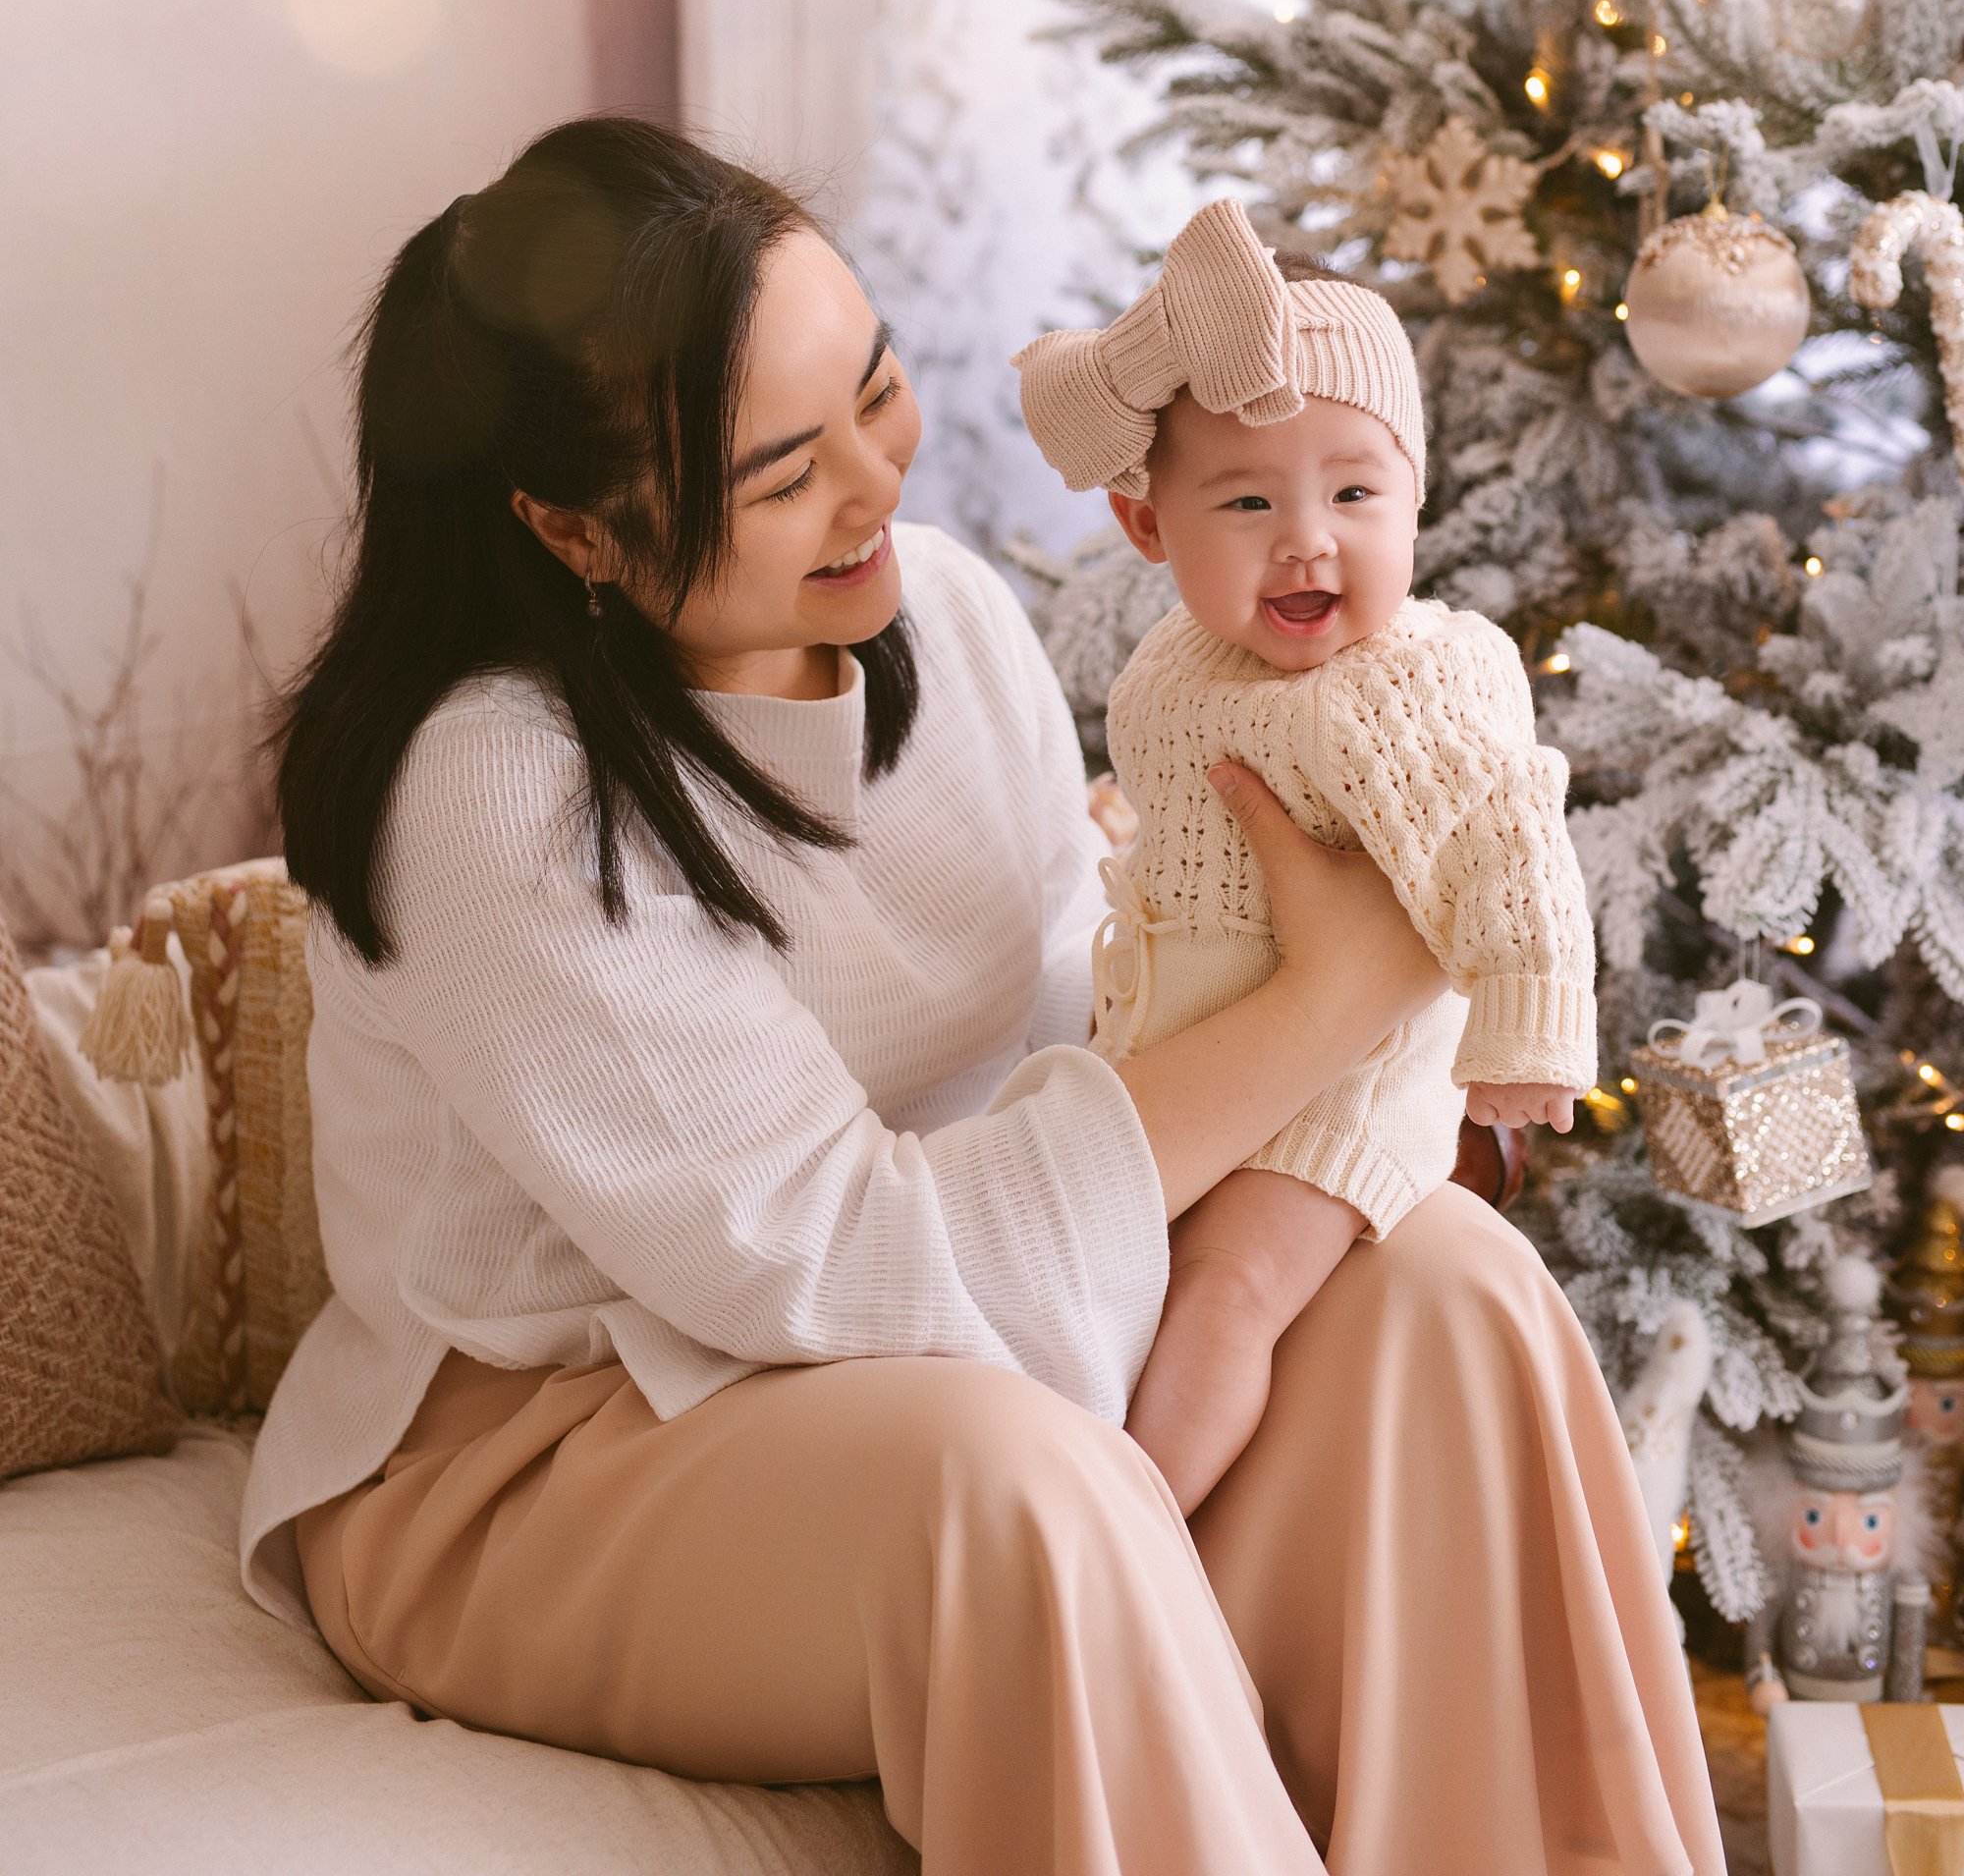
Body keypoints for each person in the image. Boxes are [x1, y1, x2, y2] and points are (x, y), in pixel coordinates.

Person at [243, 116, 1722, 1876]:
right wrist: (1343, 988)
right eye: (785, 473)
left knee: (1444, 1290)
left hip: (966, 1314)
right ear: (573, 525)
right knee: (1013, 1484)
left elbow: (1072, 1031)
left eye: (877, 391)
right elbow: (831, 1260)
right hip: (549, 1456)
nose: (877, 488)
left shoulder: (934, 614)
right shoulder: (495, 791)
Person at [1014, 195, 1595, 1511]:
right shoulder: (1181, 660)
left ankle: (1133, 1532)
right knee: (1112, 1263)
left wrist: (1530, 1031)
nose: (1306, 536)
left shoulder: (1405, 687)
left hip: (1341, 1088)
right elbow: (1182, 796)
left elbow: (1510, 837)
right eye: (1245, 499)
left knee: (1226, 1291)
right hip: (1203, 1051)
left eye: (1352, 491)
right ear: (1147, 530)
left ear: (1412, 498)